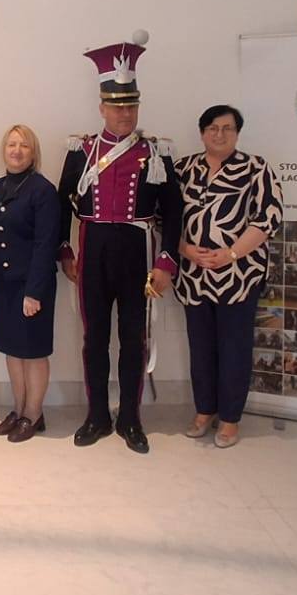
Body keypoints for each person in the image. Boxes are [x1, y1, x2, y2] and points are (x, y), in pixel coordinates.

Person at [57, 32, 181, 455]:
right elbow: (62, 203)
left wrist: (166, 261)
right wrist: (65, 251)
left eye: (130, 105)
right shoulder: (82, 151)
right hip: (93, 249)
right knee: (94, 338)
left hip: (137, 252)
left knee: (134, 339)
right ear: (102, 107)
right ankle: (97, 415)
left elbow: (174, 212)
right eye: (116, 105)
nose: (124, 113)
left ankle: (130, 417)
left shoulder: (157, 152)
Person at [175, 104, 284, 448]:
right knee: (201, 348)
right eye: (212, 128)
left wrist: (231, 253)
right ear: (202, 132)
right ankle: (204, 411)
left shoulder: (256, 168)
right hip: (194, 275)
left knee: (234, 348)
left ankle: (230, 418)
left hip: (239, 275)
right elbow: (164, 219)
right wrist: (186, 250)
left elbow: (268, 218)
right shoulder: (182, 169)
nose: (219, 134)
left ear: (237, 133)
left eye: (227, 128)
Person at [0, 124, 61, 442]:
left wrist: (34, 292)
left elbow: (45, 244)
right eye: (11, 144)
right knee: (13, 350)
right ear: (4, 150)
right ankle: (19, 409)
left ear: (33, 152)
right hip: (3, 285)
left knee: (33, 352)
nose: (16, 150)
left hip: (30, 286)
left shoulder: (43, 190)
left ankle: (34, 413)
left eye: (24, 145)